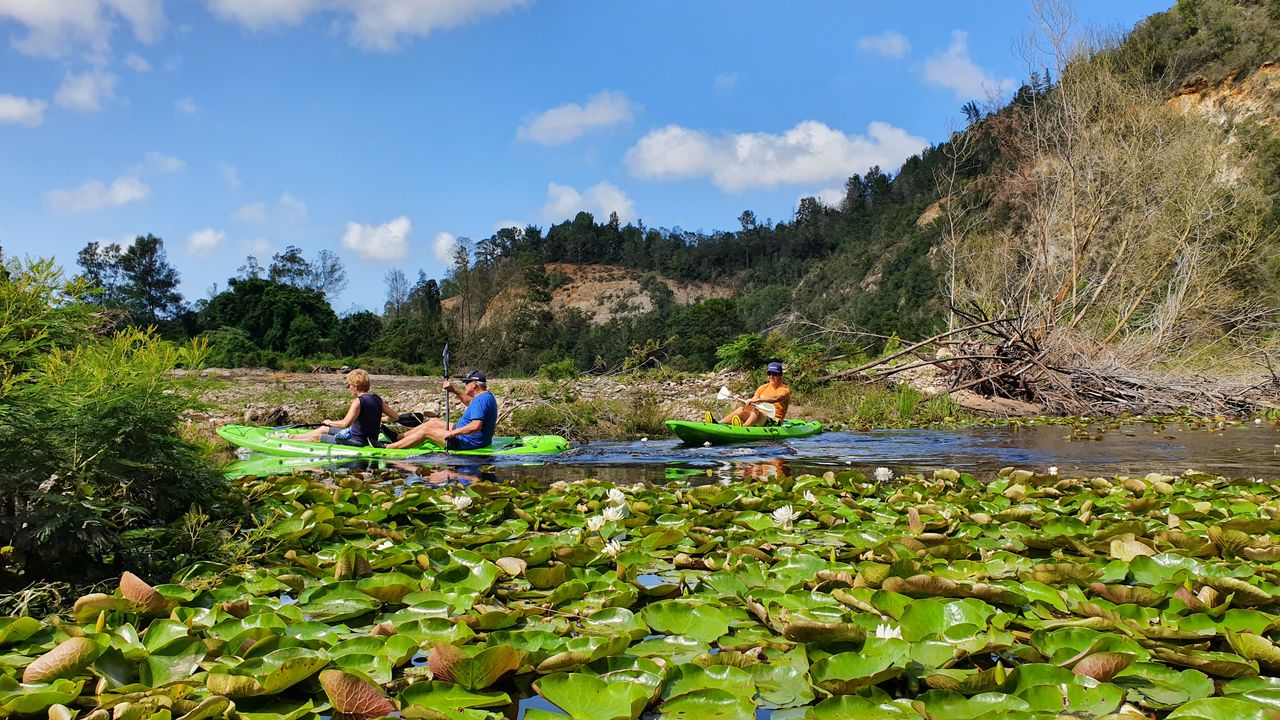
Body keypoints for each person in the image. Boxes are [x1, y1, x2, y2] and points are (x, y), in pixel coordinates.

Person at [386, 370, 498, 450]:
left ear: (474, 385)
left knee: (426, 432)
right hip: (471, 438)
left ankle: (388, 447)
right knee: (433, 422)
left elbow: (475, 426)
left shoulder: (480, 401)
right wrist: (454, 391)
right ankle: (397, 438)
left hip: (467, 442)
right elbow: (470, 403)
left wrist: (452, 433)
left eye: (466, 383)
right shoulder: (486, 396)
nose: (465, 385)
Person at [287, 369, 399, 446]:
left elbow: (345, 424)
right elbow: (395, 417)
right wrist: (379, 419)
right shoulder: (377, 398)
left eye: (349, 385)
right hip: (362, 436)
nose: (348, 388)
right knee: (323, 429)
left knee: (318, 437)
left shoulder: (358, 401)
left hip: (357, 441)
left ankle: (289, 441)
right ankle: (292, 436)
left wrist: (329, 422)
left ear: (356, 386)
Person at [719, 361, 791, 427]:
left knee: (755, 411)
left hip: (775, 421)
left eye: (774, 374)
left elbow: (775, 398)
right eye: (769, 374)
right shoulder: (762, 388)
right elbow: (750, 406)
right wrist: (741, 400)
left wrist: (758, 400)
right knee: (741, 409)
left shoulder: (784, 390)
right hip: (758, 417)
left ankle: (744, 428)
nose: (771, 376)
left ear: (780, 375)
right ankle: (719, 423)